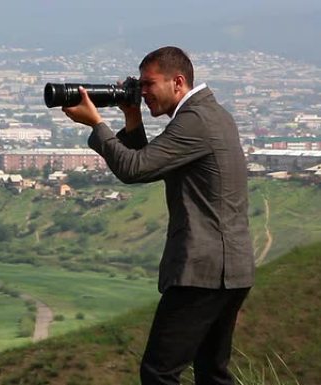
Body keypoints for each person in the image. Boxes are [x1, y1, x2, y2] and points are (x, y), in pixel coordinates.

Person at [61, 46, 255, 385]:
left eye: (149, 84)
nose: (144, 92)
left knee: (159, 371)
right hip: (229, 268)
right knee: (211, 372)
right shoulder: (210, 114)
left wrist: (97, 123)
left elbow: (134, 169)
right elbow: (150, 162)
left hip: (203, 271)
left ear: (177, 81)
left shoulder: (196, 121)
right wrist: (132, 118)